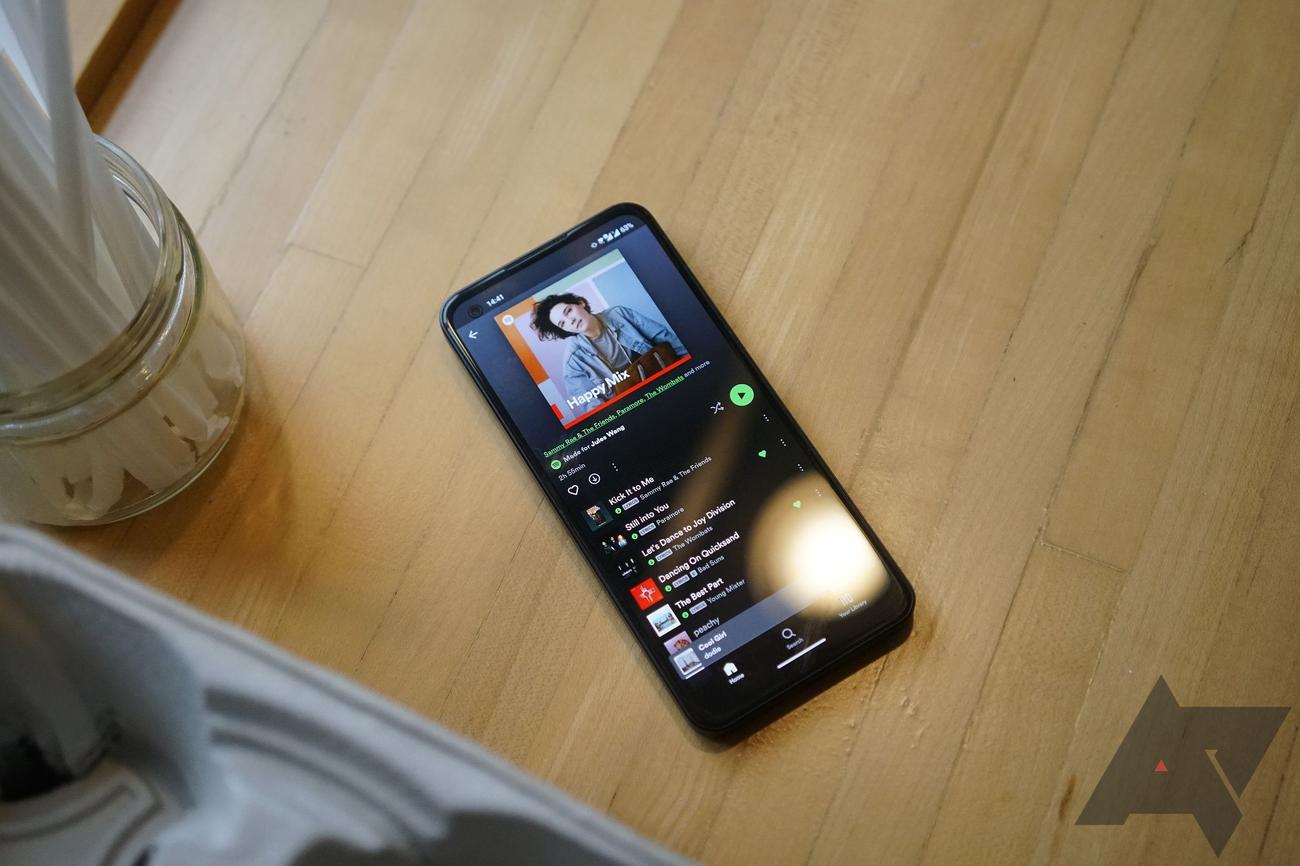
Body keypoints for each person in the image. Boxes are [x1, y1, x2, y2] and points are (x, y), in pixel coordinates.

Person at [531, 292, 687, 402]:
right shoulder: (573, 363)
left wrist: (690, 366)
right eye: (562, 324)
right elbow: (594, 408)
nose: (570, 321)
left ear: (580, 303)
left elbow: (665, 338)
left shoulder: (619, 314)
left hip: (666, 378)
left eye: (568, 311)